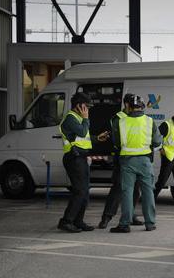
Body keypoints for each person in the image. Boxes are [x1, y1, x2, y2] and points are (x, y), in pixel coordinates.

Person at [110, 94, 161, 233]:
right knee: (148, 191)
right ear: (142, 106)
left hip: (127, 161)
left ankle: (125, 224)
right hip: (145, 161)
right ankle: (150, 223)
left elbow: (116, 142)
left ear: (128, 106)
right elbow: (157, 142)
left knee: (127, 192)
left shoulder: (120, 122)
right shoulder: (150, 122)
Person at [98, 95, 145, 229]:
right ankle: (106, 217)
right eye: (132, 105)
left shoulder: (137, 117)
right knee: (118, 188)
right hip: (122, 158)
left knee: (136, 189)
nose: (135, 108)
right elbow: (116, 140)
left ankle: (130, 215)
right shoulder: (118, 118)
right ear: (126, 105)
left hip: (136, 157)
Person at [57, 92, 94, 233]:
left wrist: (97, 138)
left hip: (81, 158)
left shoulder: (78, 118)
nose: (88, 110)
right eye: (86, 106)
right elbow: (82, 132)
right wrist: (86, 119)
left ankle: (78, 221)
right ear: (79, 106)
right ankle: (66, 221)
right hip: (74, 158)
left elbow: (82, 138)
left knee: (84, 192)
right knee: (79, 191)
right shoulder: (71, 118)